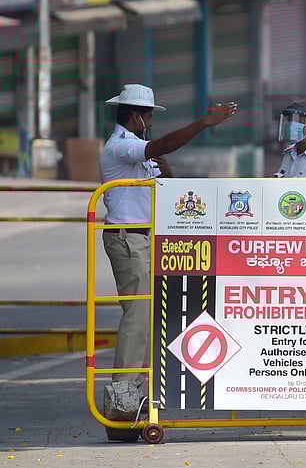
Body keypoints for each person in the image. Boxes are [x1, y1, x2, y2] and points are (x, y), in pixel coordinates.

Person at [101, 84, 237, 399]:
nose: (151, 123)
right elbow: (162, 144)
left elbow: (168, 180)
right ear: (134, 116)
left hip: (145, 237)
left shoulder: (141, 146)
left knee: (150, 316)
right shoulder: (119, 146)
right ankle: (123, 391)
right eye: (148, 117)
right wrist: (204, 123)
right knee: (138, 315)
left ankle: (137, 391)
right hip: (128, 238)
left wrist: (160, 155)